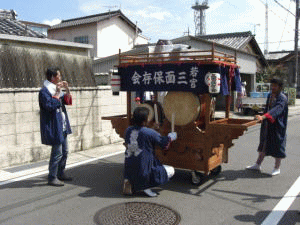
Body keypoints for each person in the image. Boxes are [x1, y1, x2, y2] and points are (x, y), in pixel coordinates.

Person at [122, 107, 177, 197]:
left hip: (129, 169)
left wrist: (152, 128)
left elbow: (141, 133)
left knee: (136, 163)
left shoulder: (128, 130)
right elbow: (163, 143)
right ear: (145, 121)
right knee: (171, 170)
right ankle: (146, 186)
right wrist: (171, 137)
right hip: (144, 170)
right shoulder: (149, 132)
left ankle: (130, 181)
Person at [246, 77, 288, 176]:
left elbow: (276, 110)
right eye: (272, 85)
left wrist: (264, 117)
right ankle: (257, 164)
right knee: (264, 143)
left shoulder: (282, 98)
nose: (273, 87)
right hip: (268, 124)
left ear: (280, 87)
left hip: (278, 125)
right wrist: (261, 117)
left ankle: (277, 167)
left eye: (275, 86)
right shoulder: (270, 95)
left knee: (278, 145)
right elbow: (267, 109)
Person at [39, 67, 73, 186]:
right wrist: (58, 92)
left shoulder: (55, 89)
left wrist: (66, 89)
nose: (60, 77)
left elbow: (67, 101)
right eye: (58, 75)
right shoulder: (45, 91)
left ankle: (60, 172)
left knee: (65, 151)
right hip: (54, 125)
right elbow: (49, 106)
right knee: (57, 153)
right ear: (53, 77)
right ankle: (52, 177)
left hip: (62, 124)